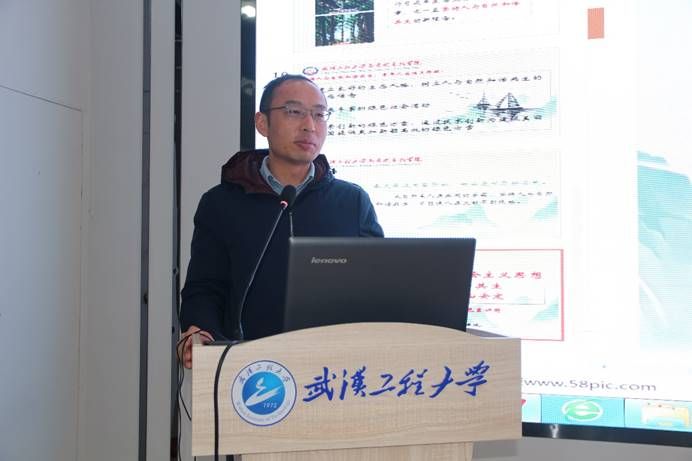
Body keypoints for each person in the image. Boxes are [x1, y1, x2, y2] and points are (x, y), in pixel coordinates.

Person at [178, 74, 383, 368]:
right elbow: (205, 289)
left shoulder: (352, 202)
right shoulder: (221, 204)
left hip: (334, 369)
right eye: (294, 112)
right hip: (250, 372)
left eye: (319, 114)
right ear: (262, 123)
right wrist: (201, 331)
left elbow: (376, 289)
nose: (309, 125)